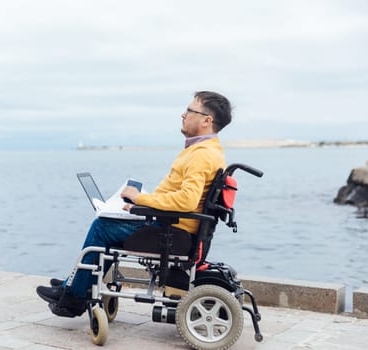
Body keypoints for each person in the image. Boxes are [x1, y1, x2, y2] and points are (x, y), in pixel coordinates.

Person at [36, 90, 232, 317]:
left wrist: (140, 200)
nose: (183, 114)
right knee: (109, 221)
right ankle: (74, 286)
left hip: (172, 232)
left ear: (207, 120)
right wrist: (140, 206)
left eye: (189, 110)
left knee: (102, 227)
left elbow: (187, 200)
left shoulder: (201, 155)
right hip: (171, 224)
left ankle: (74, 299)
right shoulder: (208, 150)